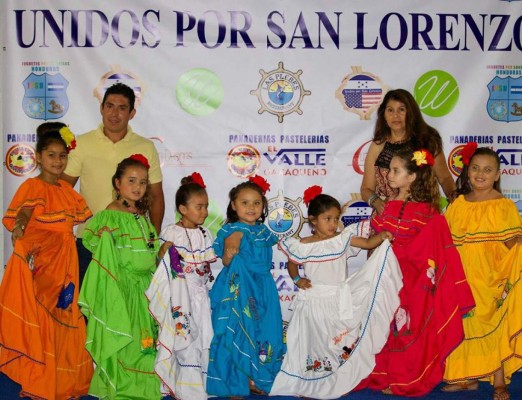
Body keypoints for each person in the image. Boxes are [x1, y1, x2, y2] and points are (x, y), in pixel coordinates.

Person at [358, 148, 475, 396]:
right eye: (390, 170)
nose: (389, 175)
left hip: (412, 280)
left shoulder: (428, 212)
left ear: (411, 177)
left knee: (406, 327)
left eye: (395, 171)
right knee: (385, 325)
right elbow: (376, 240)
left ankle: (406, 377)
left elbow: (432, 247)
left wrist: (408, 260)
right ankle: (385, 373)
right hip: (386, 278)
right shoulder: (386, 206)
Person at [269, 187, 403, 399]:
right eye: (327, 219)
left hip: (337, 299)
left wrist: (381, 237)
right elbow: (292, 264)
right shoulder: (303, 245)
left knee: (335, 341)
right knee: (314, 342)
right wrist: (297, 279)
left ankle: (336, 378)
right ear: (314, 220)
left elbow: (367, 243)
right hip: (313, 302)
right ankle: (311, 382)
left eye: (336, 219)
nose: (333, 224)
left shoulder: (342, 239)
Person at [0, 123, 93, 399]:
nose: (57, 161)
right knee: (44, 315)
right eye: (51, 155)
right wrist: (19, 227)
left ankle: (64, 381)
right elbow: (25, 212)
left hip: (67, 261)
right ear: (39, 157)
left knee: (66, 314)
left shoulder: (67, 191)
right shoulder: (32, 186)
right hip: (44, 262)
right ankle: (39, 381)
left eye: (62, 156)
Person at [78, 154, 169, 399]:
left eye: (143, 182)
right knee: (128, 338)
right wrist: (104, 236)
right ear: (117, 183)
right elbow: (96, 243)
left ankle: (144, 385)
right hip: (124, 288)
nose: (138, 186)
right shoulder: (112, 212)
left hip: (144, 287)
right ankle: (123, 386)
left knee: (145, 339)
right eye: (131, 180)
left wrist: (161, 253)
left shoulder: (141, 214)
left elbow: (147, 251)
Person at [62, 82, 164, 285]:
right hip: (90, 241)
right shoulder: (82, 143)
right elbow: (62, 190)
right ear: (101, 108)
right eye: (109, 106)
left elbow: (156, 196)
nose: (114, 113)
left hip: (133, 244)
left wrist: (151, 238)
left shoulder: (146, 147)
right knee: (90, 301)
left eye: (122, 108)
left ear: (132, 113)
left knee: (130, 301)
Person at [442, 144, 522, 400]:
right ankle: (466, 377)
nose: (480, 174)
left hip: (492, 276)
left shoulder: (504, 206)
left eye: (488, 170)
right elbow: (445, 240)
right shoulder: (458, 204)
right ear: (468, 171)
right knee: (465, 324)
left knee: (492, 324)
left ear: (497, 175)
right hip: (461, 275)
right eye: (475, 168)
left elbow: (512, 242)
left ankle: (499, 381)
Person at [206, 176, 285, 398]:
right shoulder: (235, 230)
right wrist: (230, 254)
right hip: (241, 288)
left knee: (262, 331)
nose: (251, 207)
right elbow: (227, 260)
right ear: (234, 205)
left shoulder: (262, 231)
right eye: (244, 202)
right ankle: (235, 383)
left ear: (263, 206)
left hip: (262, 288)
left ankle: (255, 377)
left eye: (256, 203)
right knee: (240, 330)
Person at [146, 172, 217, 400]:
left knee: (201, 337)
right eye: (199, 207)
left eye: (206, 207)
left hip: (200, 296)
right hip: (179, 296)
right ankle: (182, 386)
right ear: (183, 209)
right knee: (182, 337)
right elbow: (161, 264)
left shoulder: (205, 234)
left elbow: (205, 266)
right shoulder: (171, 232)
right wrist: (162, 253)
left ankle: (198, 385)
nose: (204, 212)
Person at [360, 88, 456, 215]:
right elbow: (366, 189)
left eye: (401, 109)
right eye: (390, 110)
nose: (395, 115)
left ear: (411, 113)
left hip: (422, 216)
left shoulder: (427, 141)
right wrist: (377, 202)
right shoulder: (378, 145)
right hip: (388, 217)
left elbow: (444, 178)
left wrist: (456, 200)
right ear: (384, 115)